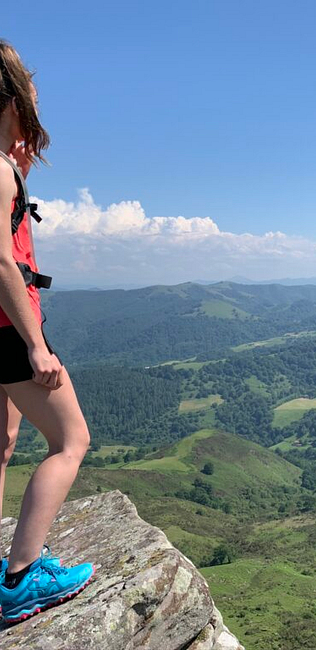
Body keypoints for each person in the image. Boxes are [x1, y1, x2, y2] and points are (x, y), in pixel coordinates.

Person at [0, 40, 95, 623]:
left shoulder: (7, 166)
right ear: (13, 98)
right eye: (31, 88)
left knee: (3, 442)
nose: (40, 96)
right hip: (9, 329)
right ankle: (19, 579)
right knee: (71, 441)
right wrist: (36, 344)